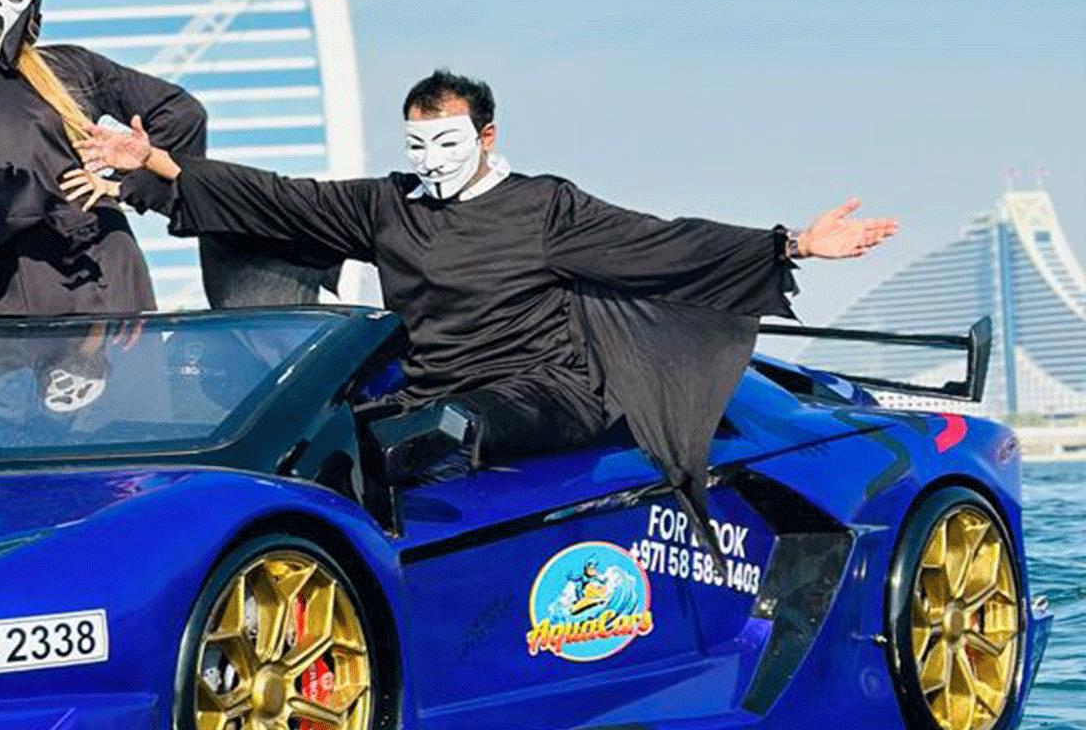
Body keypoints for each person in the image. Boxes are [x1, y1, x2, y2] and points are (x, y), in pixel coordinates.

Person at [72, 68, 898, 545]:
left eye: (448, 141)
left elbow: (664, 243)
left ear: (488, 137)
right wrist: (161, 165)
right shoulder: (388, 205)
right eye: (416, 143)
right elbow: (282, 200)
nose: (430, 159)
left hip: (547, 389)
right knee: (318, 441)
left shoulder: (545, 207)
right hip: (434, 383)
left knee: (439, 434)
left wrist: (791, 242)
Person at [0, 0, 339, 317]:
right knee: (36, 414)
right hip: (24, 284)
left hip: (105, 270)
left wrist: (122, 187)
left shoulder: (68, 67)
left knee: (130, 410)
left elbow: (182, 113)